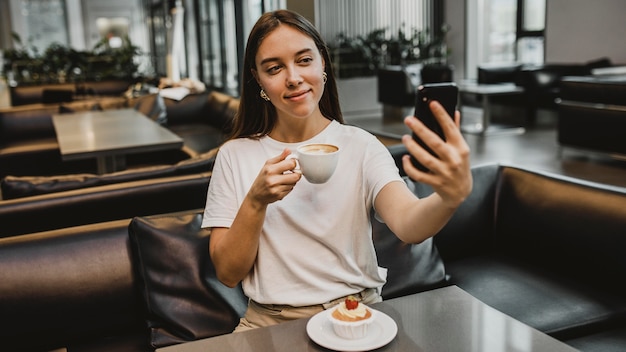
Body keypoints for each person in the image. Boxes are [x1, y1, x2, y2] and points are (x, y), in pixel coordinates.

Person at [202, 9, 472, 331]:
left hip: (357, 313)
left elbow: (409, 225)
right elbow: (228, 273)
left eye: (304, 60)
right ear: (258, 79)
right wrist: (256, 201)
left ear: (323, 64)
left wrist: (449, 197)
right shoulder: (235, 155)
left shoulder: (361, 145)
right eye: (274, 68)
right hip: (269, 323)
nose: (293, 77)